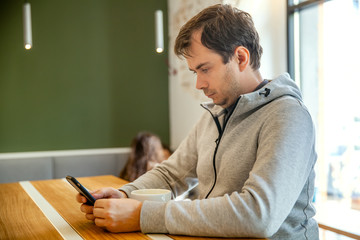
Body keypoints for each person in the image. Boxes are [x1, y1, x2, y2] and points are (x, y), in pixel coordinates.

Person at [76, 4, 318, 239]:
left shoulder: (288, 115)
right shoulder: (216, 113)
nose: (198, 84)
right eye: (195, 72)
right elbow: (171, 175)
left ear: (241, 58)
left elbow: (259, 214)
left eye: (205, 69)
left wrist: (143, 214)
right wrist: (125, 195)